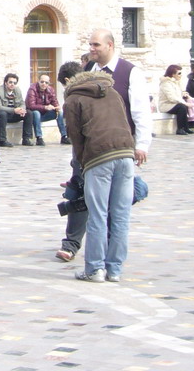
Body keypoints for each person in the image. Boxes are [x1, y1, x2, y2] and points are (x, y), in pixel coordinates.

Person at [56, 28, 151, 262]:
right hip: (88, 148)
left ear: (110, 45)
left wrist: (142, 145)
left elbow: (140, 112)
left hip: (119, 146)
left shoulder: (130, 73)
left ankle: (108, 256)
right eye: (90, 44)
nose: (92, 49)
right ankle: (72, 243)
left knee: (114, 204)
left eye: (96, 45)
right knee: (79, 194)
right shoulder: (86, 72)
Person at [60, 60, 136, 283]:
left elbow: (75, 137)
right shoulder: (112, 93)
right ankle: (115, 270)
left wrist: (83, 162)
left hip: (99, 156)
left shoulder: (73, 99)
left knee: (98, 215)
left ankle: (94, 269)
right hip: (125, 152)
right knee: (121, 215)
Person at [25, 74, 68, 146]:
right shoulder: (32, 89)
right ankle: (39, 137)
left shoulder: (50, 90)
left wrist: (57, 107)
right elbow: (31, 106)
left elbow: (54, 101)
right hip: (34, 115)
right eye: (42, 82)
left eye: (46, 82)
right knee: (36, 113)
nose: (44, 84)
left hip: (45, 114)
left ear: (48, 83)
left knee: (59, 113)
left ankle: (64, 136)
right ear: (38, 81)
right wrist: (45, 107)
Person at [0, 73, 26, 148]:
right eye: (10, 82)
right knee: (2, 114)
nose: (12, 84)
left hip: (14, 113)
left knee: (29, 113)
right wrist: (14, 110)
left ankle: (27, 139)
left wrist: (22, 109)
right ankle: (2, 140)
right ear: (5, 83)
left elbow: (22, 102)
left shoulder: (17, 90)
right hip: (4, 114)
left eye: (14, 83)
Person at [158, 64, 194, 135]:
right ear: (173, 74)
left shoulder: (176, 82)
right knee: (181, 107)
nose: (180, 75)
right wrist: (184, 103)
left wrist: (184, 94)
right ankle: (180, 129)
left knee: (184, 105)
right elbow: (171, 97)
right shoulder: (165, 83)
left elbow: (178, 94)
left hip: (174, 103)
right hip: (166, 105)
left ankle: (186, 128)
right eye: (179, 73)